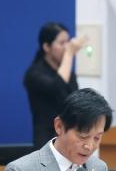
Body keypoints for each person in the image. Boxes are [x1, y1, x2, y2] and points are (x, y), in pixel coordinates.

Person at [24, 21, 87, 149]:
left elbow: (75, 103)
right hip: (46, 141)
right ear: (47, 47)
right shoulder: (34, 73)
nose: (67, 47)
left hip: (69, 138)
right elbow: (57, 88)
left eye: (67, 42)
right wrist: (69, 54)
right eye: (61, 43)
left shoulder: (69, 74)